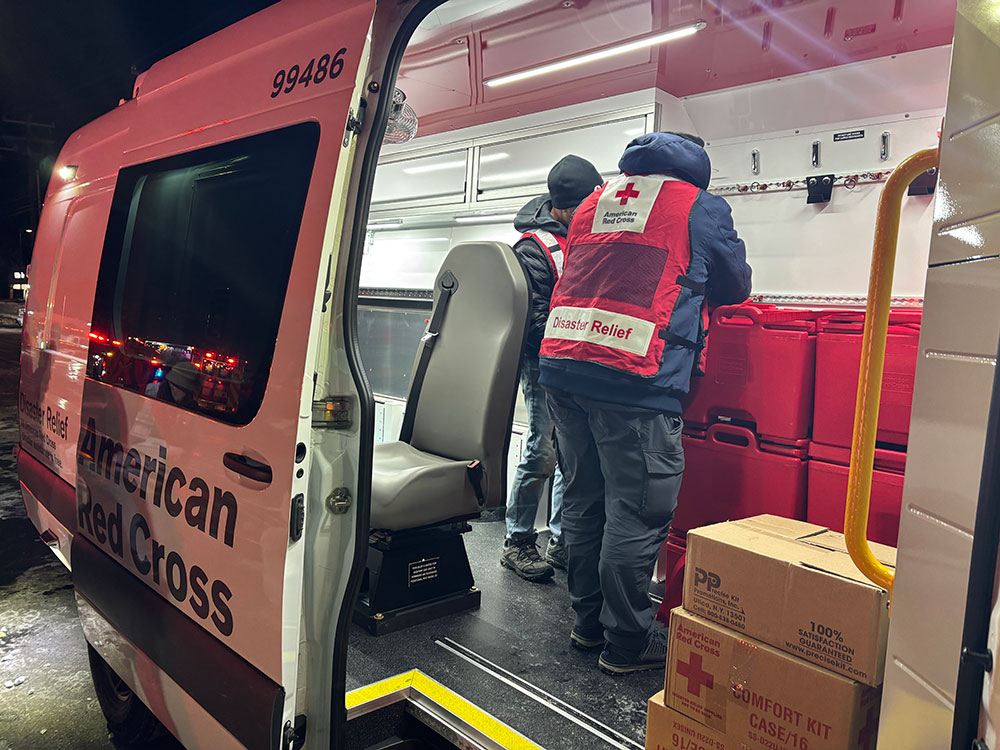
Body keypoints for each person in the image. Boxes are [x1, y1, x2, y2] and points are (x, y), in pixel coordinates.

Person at [539, 132, 752, 673]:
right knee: (635, 515)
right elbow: (734, 286)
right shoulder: (699, 207)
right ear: (695, 168)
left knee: (584, 503)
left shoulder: (598, 198)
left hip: (564, 367)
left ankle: (586, 627)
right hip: (636, 377)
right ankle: (627, 644)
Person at [501, 155, 604, 583]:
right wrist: (573, 341)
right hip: (543, 363)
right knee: (543, 450)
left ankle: (563, 541)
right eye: (585, 203)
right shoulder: (534, 248)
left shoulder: (592, 235)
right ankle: (518, 540)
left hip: (578, 361)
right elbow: (534, 318)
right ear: (562, 206)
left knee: (572, 456)